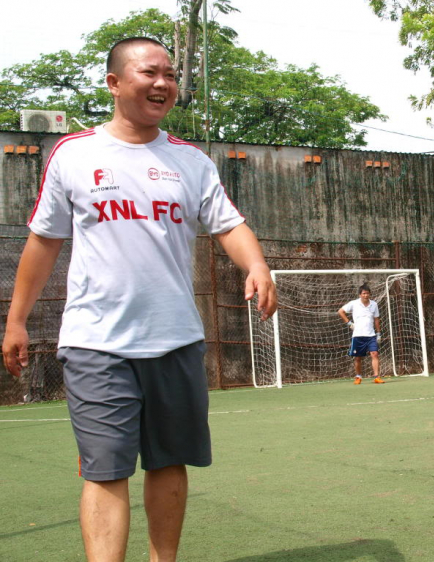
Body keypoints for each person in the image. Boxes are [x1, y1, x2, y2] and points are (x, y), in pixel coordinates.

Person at [1, 37, 277, 561]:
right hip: (95, 343)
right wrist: (17, 321)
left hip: (175, 338)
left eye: (170, 75)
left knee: (169, 462)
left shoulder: (190, 161)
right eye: (150, 72)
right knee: (106, 470)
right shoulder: (74, 155)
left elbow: (229, 225)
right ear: (114, 83)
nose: (163, 84)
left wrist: (257, 264)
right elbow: (43, 243)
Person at [338, 284, 384, 384]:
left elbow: (376, 319)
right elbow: (341, 311)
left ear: (370, 294)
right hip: (358, 335)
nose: (366, 295)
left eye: (367, 293)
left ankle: (376, 376)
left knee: (374, 354)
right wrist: (349, 323)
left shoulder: (374, 304)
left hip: (371, 335)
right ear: (360, 295)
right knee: (358, 357)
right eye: (363, 293)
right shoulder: (354, 303)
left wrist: (379, 333)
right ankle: (358, 377)